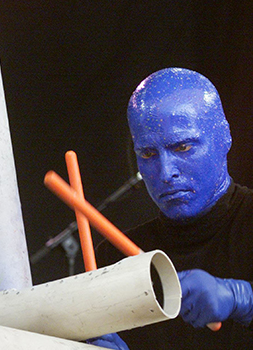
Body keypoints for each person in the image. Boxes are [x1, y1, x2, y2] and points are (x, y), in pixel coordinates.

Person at [96, 67, 253, 349]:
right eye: (148, 154)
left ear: (225, 136)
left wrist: (244, 300)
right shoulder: (113, 259)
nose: (166, 172)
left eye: (182, 147)